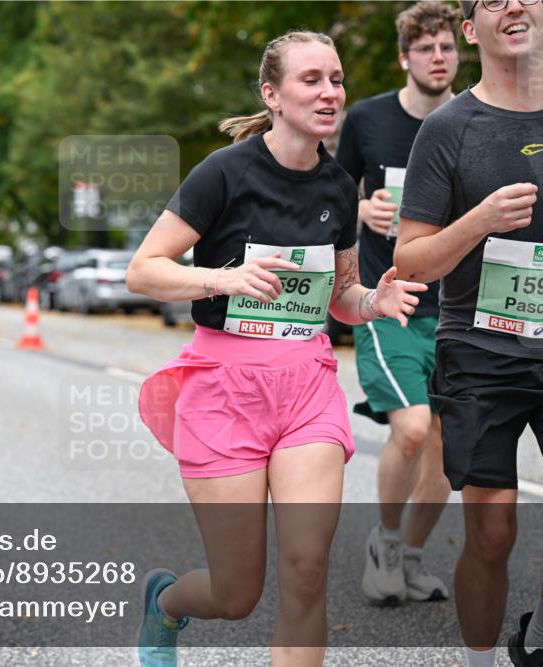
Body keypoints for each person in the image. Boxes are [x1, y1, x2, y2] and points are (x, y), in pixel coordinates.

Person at [126, 30, 426, 667]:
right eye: (311, 79)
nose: (329, 92)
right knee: (236, 594)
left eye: (336, 79)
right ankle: (166, 603)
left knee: (307, 569)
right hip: (224, 389)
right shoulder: (223, 172)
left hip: (305, 389)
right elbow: (143, 271)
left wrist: (374, 302)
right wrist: (221, 279)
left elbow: (340, 296)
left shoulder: (338, 186)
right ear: (272, 94)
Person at [394, 1, 543, 665]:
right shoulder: (448, 128)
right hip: (480, 355)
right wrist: (479, 220)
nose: (513, 5)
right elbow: (411, 262)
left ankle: (540, 640)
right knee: (492, 534)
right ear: (471, 31)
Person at [335, 0, 459, 606]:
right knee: (410, 430)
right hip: (390, 303)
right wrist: (361, 209)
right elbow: (329, 195)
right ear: (405, 57)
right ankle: (384, 543)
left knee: (447, 447)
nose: (438, 57)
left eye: (447, 47)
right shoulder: (367, 119)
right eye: (425, 48)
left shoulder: (475, 117)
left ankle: (409, 557)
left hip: (459, 308)